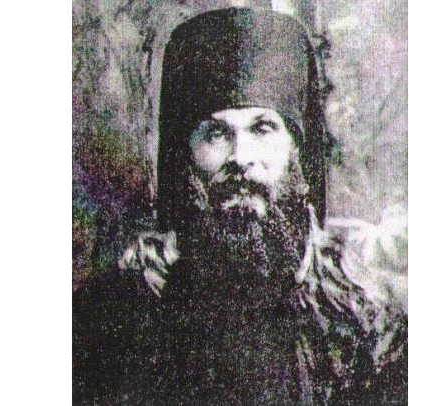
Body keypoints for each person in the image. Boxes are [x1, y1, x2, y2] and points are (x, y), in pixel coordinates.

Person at [73, 7, 406, 405]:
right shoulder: (110, 319)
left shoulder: (368, 327)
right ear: (186, 156)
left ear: (296, 152)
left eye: (262, 129)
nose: (241, 157)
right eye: (216, 134)